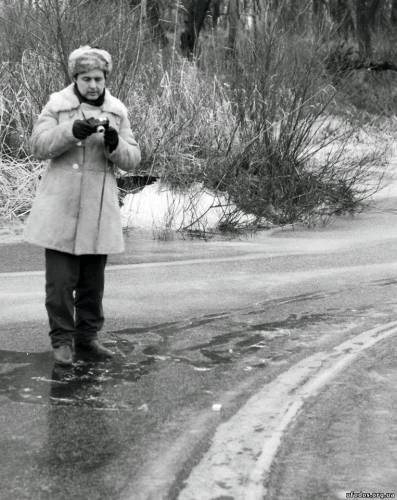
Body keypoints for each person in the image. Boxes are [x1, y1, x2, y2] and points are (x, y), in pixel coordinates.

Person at [24, 46, 141, 366]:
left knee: (92, 285)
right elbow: (37, 146)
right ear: (75, 78)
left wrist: (115, 145)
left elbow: (133, 158)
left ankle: (87, 339)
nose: (93, 84)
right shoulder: (58, 106)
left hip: (98, 210)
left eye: (98, 78)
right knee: (59, 284)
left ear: (106, 79)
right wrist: (70, 132)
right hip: (60, 209)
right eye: (86, 78)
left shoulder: (117, 111)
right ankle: (61, 341)